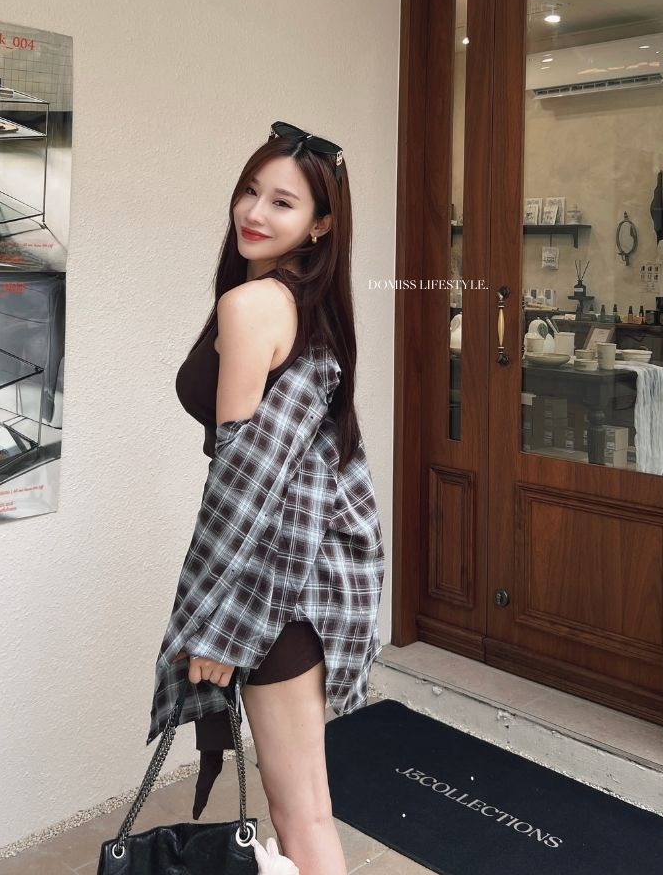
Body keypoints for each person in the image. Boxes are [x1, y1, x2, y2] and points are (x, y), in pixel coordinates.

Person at [162, 121, 384, 875]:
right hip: (308, 582)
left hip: (276, 593)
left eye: (282, 202)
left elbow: (244, 486)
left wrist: (222, 628)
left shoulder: (254, 305)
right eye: (250, 191)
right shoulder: (307, 303)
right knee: (306, 808)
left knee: (301, 816)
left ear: (320, 224)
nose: (254, 212)